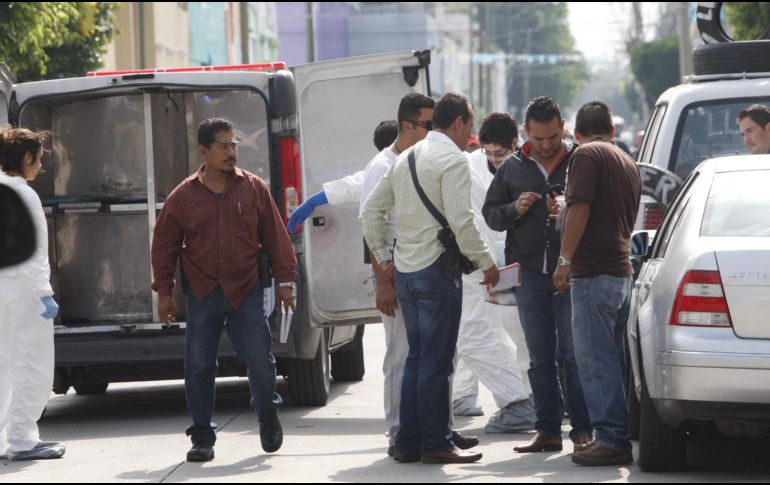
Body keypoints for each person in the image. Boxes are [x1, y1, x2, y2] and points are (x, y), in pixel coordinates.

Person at [363, 93, 499, 464]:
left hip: (406, 273)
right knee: (437, 361)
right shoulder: (453, 160)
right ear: (458, 123)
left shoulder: (405, 157)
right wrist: (487, 264)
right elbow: (462, 221)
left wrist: (385, 260)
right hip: (437, 272)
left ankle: (409, 441)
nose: (469, 134)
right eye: (469, 126)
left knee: (417, 358)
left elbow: (371, 212)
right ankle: (436, 443)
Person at [151, 118, 297, 462]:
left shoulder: (254, 188)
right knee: (199, 365)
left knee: (260, 359)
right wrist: (165, 292)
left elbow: (275, 237)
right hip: (204, 292)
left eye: (234, 145)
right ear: (204, 151)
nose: (232, 152)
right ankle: (202, 437)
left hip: (246, 288)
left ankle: (268, 416)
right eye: (224, 146)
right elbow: (164, 245)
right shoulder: (183, 196)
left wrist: (285, 282)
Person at [483, 96, 592, 454]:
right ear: (525, 132)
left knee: (574, 354)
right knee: (539, 356)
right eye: (538, 138)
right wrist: (514, 208)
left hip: (570, 272)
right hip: (529, 274)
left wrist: (568, 209)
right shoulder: (512, 168)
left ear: (563, 129)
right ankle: (547, 429)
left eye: (553, 137)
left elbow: (597, 208)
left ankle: (582, 429)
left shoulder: (580, 161)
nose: (546, 145)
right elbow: (491, 214)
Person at [553, 101, 641, 466]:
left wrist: (564, 260)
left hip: (594, 273)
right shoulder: (626, 160)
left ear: (575, 134)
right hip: (619, 271)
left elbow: (581, 208)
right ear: (612, 131)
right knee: (611, 359)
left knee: (594, 360)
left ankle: (611, 439)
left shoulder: (586, 155)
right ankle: (615, 434)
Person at [452, 113, 536, 434]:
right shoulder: (470, 166)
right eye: (488, 152)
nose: (493, 159)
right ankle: (472, 395)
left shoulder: (528, 167)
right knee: (476, 332)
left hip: (517, 265)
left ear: (515, 143)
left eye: (499, 153)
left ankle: (527, 398)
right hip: (482, 266)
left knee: (521, 335)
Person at [0, 128, 65, 461]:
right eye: (39, 159)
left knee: (4, 366)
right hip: (24, 292)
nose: (40, 165)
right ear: (27, 158)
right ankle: (23, 439)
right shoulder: (24, 195)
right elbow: (32, 251)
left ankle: (4, 439)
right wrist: (44, 293)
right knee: (31, 365)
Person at [286, 120, 399, 233]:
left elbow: (351, 186)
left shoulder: (387, 169)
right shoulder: (384, 169)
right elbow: (351, 186)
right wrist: (313, 202)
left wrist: (312, 202)